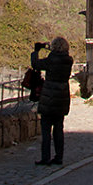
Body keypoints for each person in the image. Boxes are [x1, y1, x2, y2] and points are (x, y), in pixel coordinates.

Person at [31, 36, 73, 166]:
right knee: (59, 129)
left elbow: (36, 64)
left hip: (49, 97)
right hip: (62, 97)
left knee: (46, 130)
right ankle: (59, 157)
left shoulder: (51, 60)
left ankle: (46, 157)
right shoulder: (68, 60)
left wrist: (36, 51)